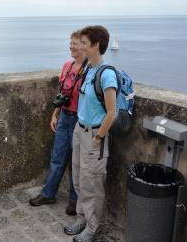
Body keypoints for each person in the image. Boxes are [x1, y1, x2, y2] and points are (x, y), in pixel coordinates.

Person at [64, 26, 117, 242]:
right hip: (80, 129)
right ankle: (82, 218)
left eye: (85, 43)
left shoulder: (107, 74)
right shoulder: (88, 68)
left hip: (95, 135)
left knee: (92, 183)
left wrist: (97, 138)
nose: (81, 46)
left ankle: (92, 228)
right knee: (78, 177)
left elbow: (111, 113)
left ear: (96, 45)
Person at [29, 30, 87, 215]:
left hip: (80, 119)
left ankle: (74, 199)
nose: (71, 46)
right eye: (70, 43)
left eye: (75, 43)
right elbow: (63, 94)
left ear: (84, 46)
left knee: (76, 162)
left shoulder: (90, 70)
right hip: (64, 117)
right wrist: (55, 114)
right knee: (57, 158)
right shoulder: (67, 66)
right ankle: (48, 193)